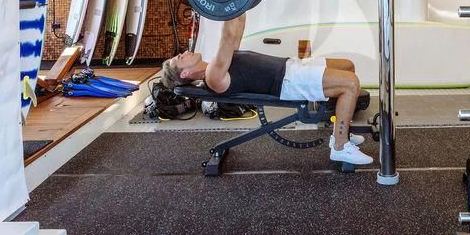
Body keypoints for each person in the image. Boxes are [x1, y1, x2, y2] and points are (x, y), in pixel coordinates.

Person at [158, 14, 373, 165]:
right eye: (180, 58)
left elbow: (237, 27)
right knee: (350, 83)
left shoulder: (217, 64)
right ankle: (340, 147)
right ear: (185, 74)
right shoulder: (213, 75)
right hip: (288, 81)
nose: (184, 53)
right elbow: (227, 36)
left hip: (291, 66)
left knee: (347, 65)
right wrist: (225, 4)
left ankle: (341, 131)